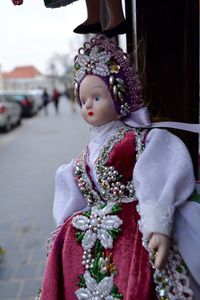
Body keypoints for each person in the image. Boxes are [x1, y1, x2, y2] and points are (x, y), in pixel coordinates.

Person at [40, 36, 200, 299]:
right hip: (87, 252)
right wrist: (62, 242)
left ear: (118, 96)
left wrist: (158, 223)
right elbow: (70, 205)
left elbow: (156, 176)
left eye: (96, 96)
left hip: (135, 239)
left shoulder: (138, 141)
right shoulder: (79, 161)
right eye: (82, 101)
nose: (88, 105)